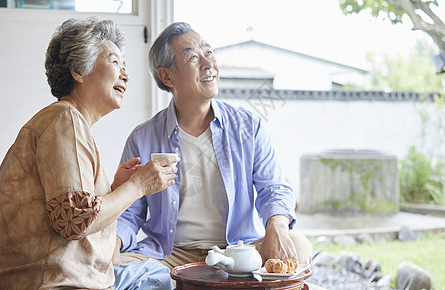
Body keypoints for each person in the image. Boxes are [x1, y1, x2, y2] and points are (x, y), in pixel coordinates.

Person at [115, 22, 313, 269]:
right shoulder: (143, 138)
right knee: (110, 267)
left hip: (238, 250)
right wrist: (113, 243)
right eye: (193, 57)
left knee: (299, 244)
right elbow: (130, 212)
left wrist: (277, 226)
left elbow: (273, 187)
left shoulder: (248, 127)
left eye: (208, 53)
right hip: (169, 255)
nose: (208, 64)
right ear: (167, 76)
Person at [0, 18, 179, 289]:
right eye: (115, 62)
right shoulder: (66, 118)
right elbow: (74, 219)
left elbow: (73, 208)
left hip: (58, 277)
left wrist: (114, 188)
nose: (126, 75)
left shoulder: (65, 121)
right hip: (55, 282)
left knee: (156, 273)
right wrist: (137, 186)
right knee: (163, 277)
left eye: (125, 65)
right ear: (78, 70)